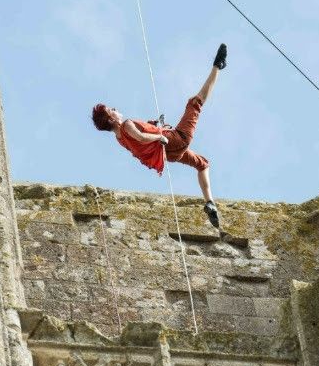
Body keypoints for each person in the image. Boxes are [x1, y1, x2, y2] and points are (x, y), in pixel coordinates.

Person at [92, 44, 227, 228]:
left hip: (169, 155)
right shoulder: (126, 125)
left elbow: (140, 142)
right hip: (174, 140)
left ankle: (209, 202)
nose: (115, 109)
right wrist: (159, 136)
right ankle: (217, 66)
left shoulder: (120, 139)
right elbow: (140, 137)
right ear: (110, 120)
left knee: (202, 164)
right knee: (195, 103)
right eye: (111, 110)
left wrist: (157, 126)